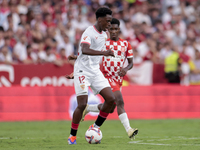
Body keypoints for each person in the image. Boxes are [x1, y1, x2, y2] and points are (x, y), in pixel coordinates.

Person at [66, 18, 138, 140]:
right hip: (105, 76)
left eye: (116, 29)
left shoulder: (126, 44)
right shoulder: (104, 41)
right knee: (118, 100)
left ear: (119, 29)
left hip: (118, 78)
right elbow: (88, 52)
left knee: (111, 107)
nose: (113, 31)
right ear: (108, 29)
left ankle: (89, 108)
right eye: (111, 29)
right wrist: (77, 66)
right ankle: (129, 130)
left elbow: (131, 63)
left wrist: (125, 69)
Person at [67, 7, 116, 145]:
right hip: (82, 71)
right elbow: (85, 49)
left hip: (95, 71)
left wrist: (77, 57)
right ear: (100, 19)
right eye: (107, 21)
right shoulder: (88, 32)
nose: (109, 24)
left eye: (110, 21)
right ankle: (72, 137)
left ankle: (95, 127)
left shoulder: (104, 35)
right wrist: (105, 53)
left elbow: (87, 53)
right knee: (81, 104)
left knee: (111, 101)